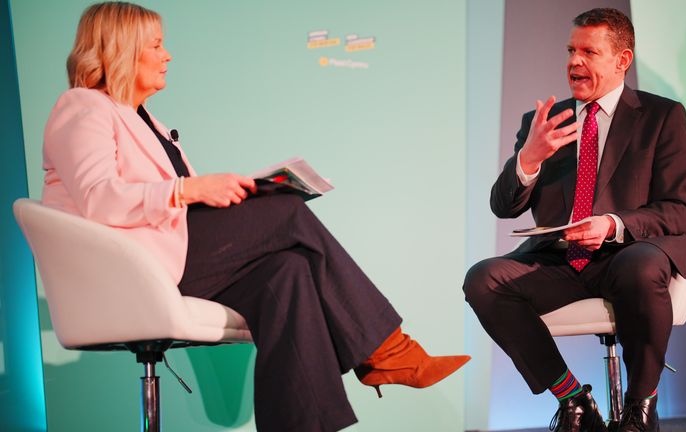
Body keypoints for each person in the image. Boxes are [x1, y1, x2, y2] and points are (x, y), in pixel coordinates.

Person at [41, 2, 469, 431]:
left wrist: (220, 195)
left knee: (289, 270)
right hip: (133, 270)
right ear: (121, 50)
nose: (167, 54)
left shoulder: (148, 121)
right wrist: (192, 188)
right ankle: (387, 350)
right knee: (285, 210)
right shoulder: (82, 107)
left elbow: (168, 204)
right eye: (155, 45)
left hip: (169, 255)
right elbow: (99, 198)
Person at [463, 8, 686, 432]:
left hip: (627, 254)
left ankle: (641, 406)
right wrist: (528, 159)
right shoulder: (545, 124)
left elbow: (678, 209)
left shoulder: (662, 117)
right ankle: (573, 399)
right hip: (560, 261)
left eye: (589, 51)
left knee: (641, 266)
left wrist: (611, 224)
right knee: (483, 279)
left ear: (621, 60)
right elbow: (503, 205)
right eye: (571, 50)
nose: (575, 61)